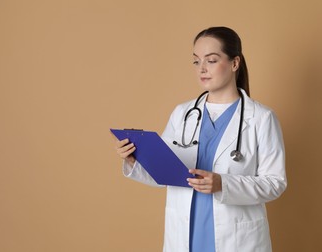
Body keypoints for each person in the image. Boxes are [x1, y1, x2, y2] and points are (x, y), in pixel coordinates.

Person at [114, 26, 287, 252]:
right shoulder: (182, 113)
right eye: (196, 61)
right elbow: (165, 173)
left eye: (212, 60)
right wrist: (134, 160)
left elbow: (275, 183)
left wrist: (223, 184)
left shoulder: (261, 118)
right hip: (185, 235)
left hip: (236, 239)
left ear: (235, 63)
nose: (202, 69)